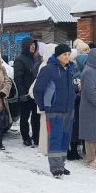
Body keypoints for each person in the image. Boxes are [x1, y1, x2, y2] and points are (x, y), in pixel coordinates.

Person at [33, 44, 76, 178]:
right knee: (55, 138)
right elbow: (38, 89)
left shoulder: (69, 69)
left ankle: (61, 165)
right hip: (54, 109)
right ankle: (55, 167)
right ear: (57, 56)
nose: (67, 57)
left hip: (68, 109)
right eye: (64, 55)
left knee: (65, 139)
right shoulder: (48, 70)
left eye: (68, 54)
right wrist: (43, 106)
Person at [30, 44, 57, 156]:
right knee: (45, 127)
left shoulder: (49, 65)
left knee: (48, 127)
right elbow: (41, 86)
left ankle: (47, 148)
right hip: (46, 102)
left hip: (49, 101)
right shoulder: (45, 65)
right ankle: (44, 149)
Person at [13, 37, 40, 147]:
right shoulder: (19, 59)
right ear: (26, 45)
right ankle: (26, 137)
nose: (33, 46)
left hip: (35, 93)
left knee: (36, 117)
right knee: (25, 117)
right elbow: (18, 78)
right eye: (31, 44)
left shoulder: (35, 59)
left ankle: (36, 137)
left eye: (34, 44)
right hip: (25, 94)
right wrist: (21, 93)